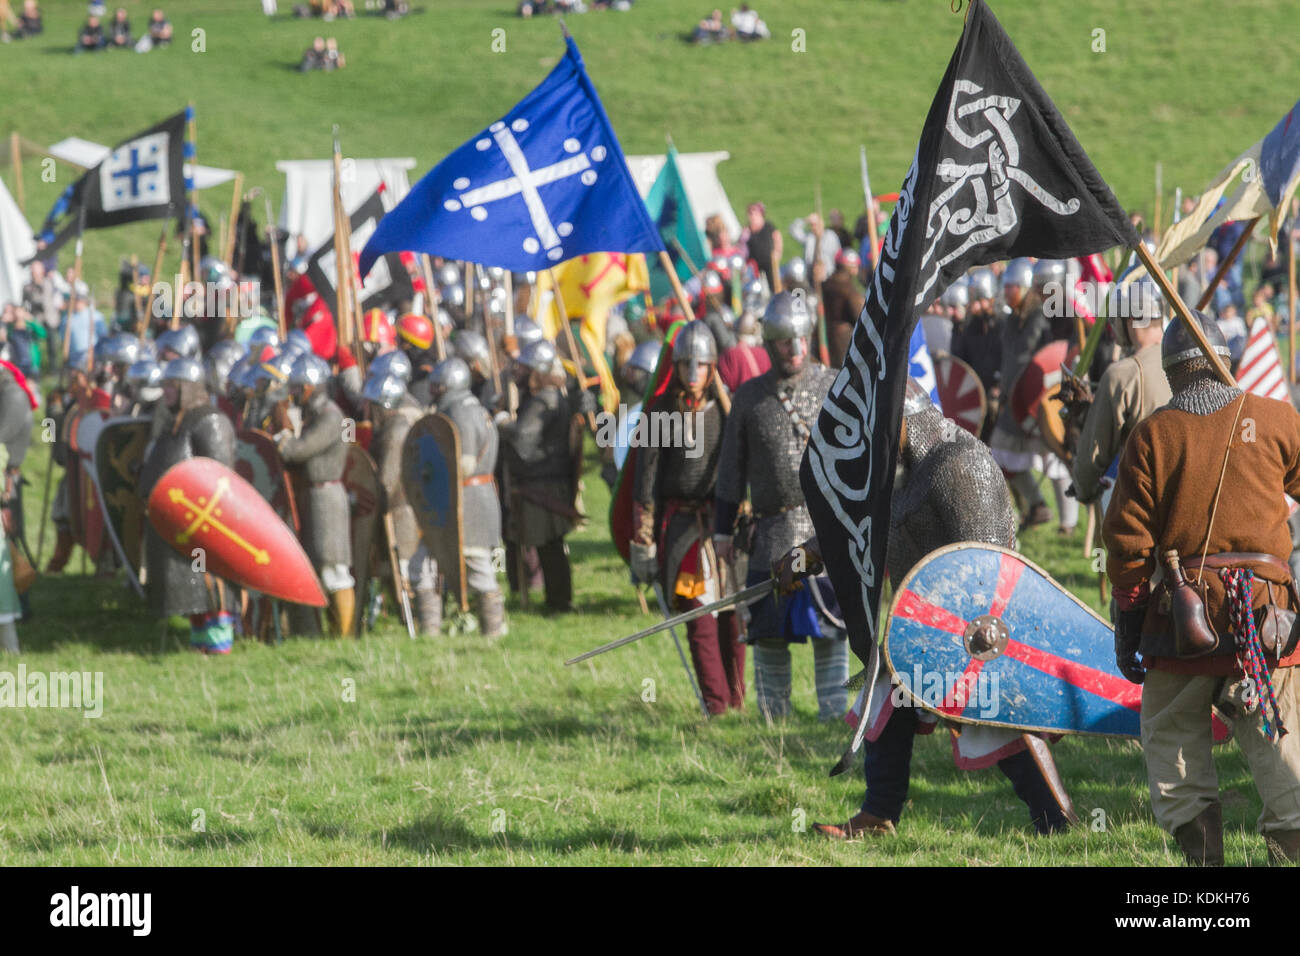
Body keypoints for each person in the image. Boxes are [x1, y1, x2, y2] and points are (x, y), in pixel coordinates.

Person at [781, 380, 1074, 838]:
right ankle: (879, 814)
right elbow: (863, 530)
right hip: (920, 623)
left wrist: (976, 636)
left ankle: (1056, 819)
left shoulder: (960, 461)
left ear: (905, 420)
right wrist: (807, 556)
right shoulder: (896, 471)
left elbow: (991, 560)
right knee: (887, 700)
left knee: (995, 722)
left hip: (978, 627)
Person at [1105, 310, 1300, 866]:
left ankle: (1206, 884)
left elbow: (1127, 546)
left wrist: (1129, 623)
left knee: (1173, 744)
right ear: (1225, 362)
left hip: (1180, 621)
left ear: (1172, 371)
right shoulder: (1276, 418)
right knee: (1283, 747)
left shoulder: (1153, 435)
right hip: (1266, 619)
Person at [714, 292, 848, 720]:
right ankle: (775, 718)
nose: (796, 349)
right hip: (773, 534)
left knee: (832, 629)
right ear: (769, 344)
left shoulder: (832, 386)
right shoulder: (750, 398)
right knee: (770, 632)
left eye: (801, 339)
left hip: (826, 532)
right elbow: (731, 470)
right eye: (786, 341)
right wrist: (721, 530)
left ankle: (834, 714)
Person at [631, 321, 743, 714]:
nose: (693, 374)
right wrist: (642, 542)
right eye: (686, 365)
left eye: (701, 365)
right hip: (683, 530)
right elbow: (645, 482)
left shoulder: (730, 413)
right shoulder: (660, 413)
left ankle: (738, 698)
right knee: (699, 616)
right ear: (675, 366)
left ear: (712, 367)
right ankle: (715, 703)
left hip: (724, 525)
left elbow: (745, 473)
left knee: (732, 613)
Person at [138, 357, 239, 653]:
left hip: (202, 520)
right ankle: (200, 642)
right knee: (191, 583)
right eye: (165, 385)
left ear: (188, 387)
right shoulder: (174, 421)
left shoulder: (210, 420)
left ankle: (219, 643)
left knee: (209, 581)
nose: (165, 391)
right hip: (179, 521)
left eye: (171, 385)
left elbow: (220, 476)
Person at [1070, 278, 1169, 511]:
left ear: (1131, 320)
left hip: (1144, 504)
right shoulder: (1195, 358)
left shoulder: (1123, 374)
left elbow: (1093, 455)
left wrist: (1085, 489)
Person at [275, 354, 355, 636]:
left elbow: (297, 451)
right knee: (316, 569)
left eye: (297, 387)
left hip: (327, 499)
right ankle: (315, 633)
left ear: (311, 387)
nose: (293, 393)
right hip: (313, 498)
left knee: (334, 570)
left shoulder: (331, 417)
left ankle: (343, 635)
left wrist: (283, 438)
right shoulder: (315, 415)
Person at [499, 339, 579, 612]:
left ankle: (558, 602)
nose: (518, 373)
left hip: (542, 483)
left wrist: (504, 424)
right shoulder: (552, 397)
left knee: (549, 546)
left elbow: (523, 442)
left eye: (525, 368)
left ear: (537, 372)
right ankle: (558, 600)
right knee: (551, 546)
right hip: (548, 480)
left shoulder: (543, 401)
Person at [429, 357, 507, 637]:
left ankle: (494, 631)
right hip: (477, 494)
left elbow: (464, 464)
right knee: (473, 563)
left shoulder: (460, 412)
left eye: (437, 386)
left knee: (477, 564)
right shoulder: (474, 407)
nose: (433, 391)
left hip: (469, 498)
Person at [988, 258, 1055, 532]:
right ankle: (1036, 507)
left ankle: (1035, 509)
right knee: (1001, 457)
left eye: (1012, 287)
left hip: (1029, 401)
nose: (1007, 292)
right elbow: (1008, 359)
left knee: (999, 454)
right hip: (1011, 399)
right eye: (1006, 287)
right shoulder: (1012, 320)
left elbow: (1043, 362)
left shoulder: (1040, 318)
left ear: (1025, 287)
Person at [821, 249, 864, 369]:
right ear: (850, 267)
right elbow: (859, 317)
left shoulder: (825, 285)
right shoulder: (849, 290)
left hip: (826, 337)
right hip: (844, 340)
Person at [740, 202, 782, 293]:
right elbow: (742, 247)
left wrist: (777, 252)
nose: (752, 216)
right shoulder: (747, 231)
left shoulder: (768, 226)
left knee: (774, 285)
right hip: (754, 264)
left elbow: (777, 238)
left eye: (754, 213)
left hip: (769, 261)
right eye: (750, 214)